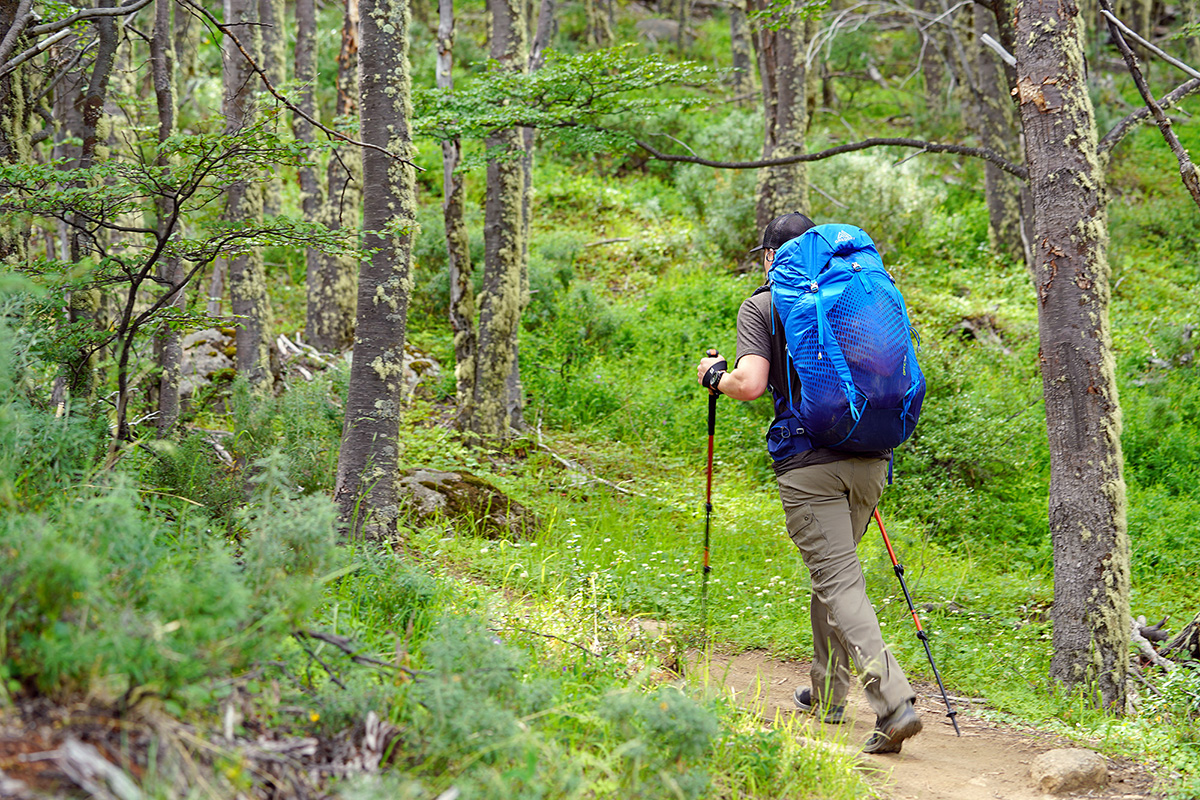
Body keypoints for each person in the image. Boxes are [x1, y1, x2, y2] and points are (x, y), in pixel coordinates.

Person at [696, 212, 922, 754]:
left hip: (809, 465)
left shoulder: (766, 303)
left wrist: (712, 377)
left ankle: (893, 702)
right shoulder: (849, 295)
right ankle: (827, 693)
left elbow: (749, 385)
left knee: (839, 581)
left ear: (771, 255)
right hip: (871, 458)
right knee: (834, 574)